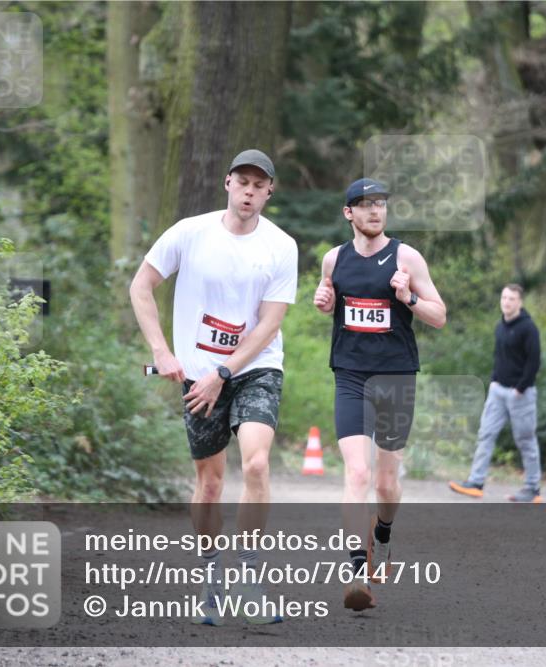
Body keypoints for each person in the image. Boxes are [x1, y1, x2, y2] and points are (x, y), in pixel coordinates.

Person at [129, 149, 297, 625]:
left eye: (258, 184)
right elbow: (141, 286)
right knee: (211, 483)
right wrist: (162, 351)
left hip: (254, 369)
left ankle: (248, 578)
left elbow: (269, 324)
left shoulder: (281, 246)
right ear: (227, 183)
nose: (248, 191)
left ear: (269, 192)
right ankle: (210, 577)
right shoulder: (188, 232)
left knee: (258, 463)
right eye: (241, 181)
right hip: (196, 379)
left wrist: (224, 372)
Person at [313, 178, 447, 611]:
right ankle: (355, 575)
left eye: (381, 205)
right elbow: (334, 305)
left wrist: (407, 297)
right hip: (350, 376)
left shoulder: (406, 257)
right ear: (348, 213)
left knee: (386, 484)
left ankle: (384, 533)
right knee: (356, 475)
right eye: (365, 205)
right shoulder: (334, 260)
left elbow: (439, 316)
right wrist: (323, 300)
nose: (375, 212)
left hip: (395, 377)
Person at [449, 284, 542, 503]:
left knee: (525, 440)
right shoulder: (501, 325)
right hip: (497, 391)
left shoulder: (528, 328)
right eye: (504, 297)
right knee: (486, 434)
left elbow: (534, 362)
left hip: (521, 394)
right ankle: (475, 482)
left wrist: (520, 387)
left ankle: (532, 488)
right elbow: (500, 357)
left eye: (511, 299)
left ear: (520, 302)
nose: (506, 302)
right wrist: (493, 381)